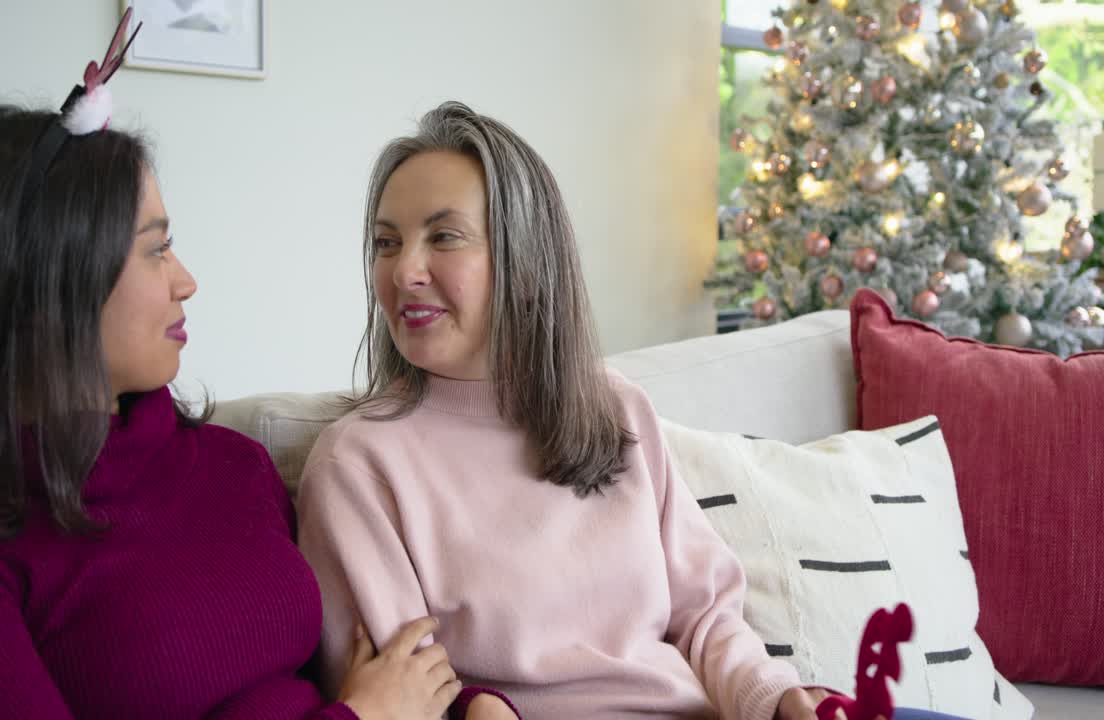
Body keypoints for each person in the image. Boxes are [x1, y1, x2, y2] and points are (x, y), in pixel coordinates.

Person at [0, 17, 486, 720]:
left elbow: (386, 661)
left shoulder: (233, 468)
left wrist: (480, 704)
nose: (186, 281)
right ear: (46, 283)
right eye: (155, 250)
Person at [297, 101, 970, 720]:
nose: (403, 270)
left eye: (443, 238)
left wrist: (776, 702)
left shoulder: (615, 409)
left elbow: (705, 615)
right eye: (386, 243)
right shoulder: (359, 463)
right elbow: (411, 695)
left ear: (528, 263)